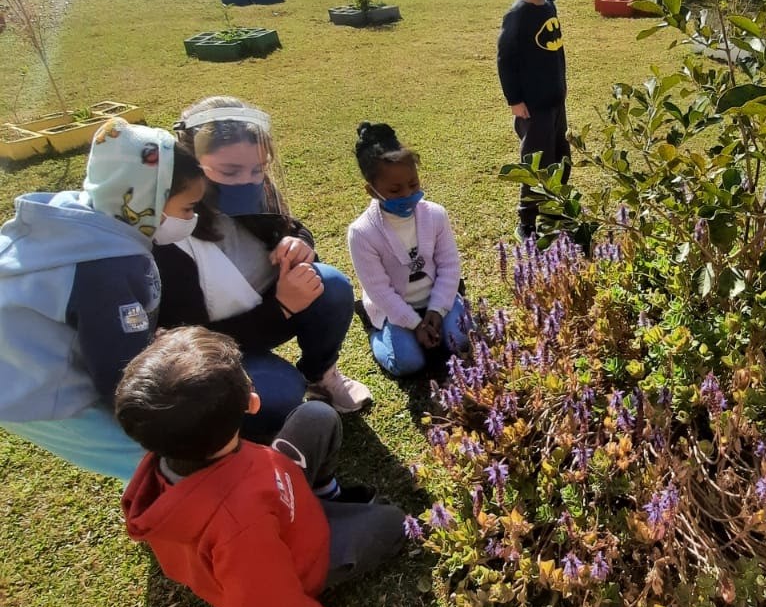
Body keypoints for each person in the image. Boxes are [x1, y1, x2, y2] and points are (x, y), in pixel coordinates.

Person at [116, 327, 408, 607]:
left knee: (317, 415)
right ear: (251, 403)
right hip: (299, 554)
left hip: (279, 497)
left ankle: (327, 493)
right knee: (395, 523)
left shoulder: (175, 448)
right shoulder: (240, 526)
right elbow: (270, 601)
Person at [156, 96, 372, 440]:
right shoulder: (171, 230)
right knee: (280, 391)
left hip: (269, 309)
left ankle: (322, 377)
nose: (248, 181)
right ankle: (245, 438)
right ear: (190, 163)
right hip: (218, 344)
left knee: (331, 286)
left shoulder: (256, 187)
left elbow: (289, 225)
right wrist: (282, 308)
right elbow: (191, 341)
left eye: (258, 169)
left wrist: (300, 243)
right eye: (229, 171)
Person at [0, 117, 204, 480]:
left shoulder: (90, 217)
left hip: (28, 362)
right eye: (187, 209)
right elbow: (120, 377)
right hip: (38, 387)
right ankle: (176, 520)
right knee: (154, 459)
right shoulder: (108, 267)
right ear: (147, 200)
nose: (193, 219)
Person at [346, 122, 471, 379]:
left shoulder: (435, 215)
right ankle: (377, 333)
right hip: (396, 309)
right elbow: (379, 290)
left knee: (461, 341)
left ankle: (439, 321)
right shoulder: (362, 232)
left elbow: (449, 266)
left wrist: (437, 309)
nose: (407, 194)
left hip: (436, 299)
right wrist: (413, 324)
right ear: (371, 190)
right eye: (394, 190)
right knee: (409, 363)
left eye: (413, 184)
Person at [497, 0, 571, 238]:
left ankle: (557, 210)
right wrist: (515, 101)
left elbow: (556, 51)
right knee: (536, 163)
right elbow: (505, 60)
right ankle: (527, 221)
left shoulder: (548, 7)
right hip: (533, 108)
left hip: (555, 102)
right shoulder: (518, 15)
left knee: (561, 158)